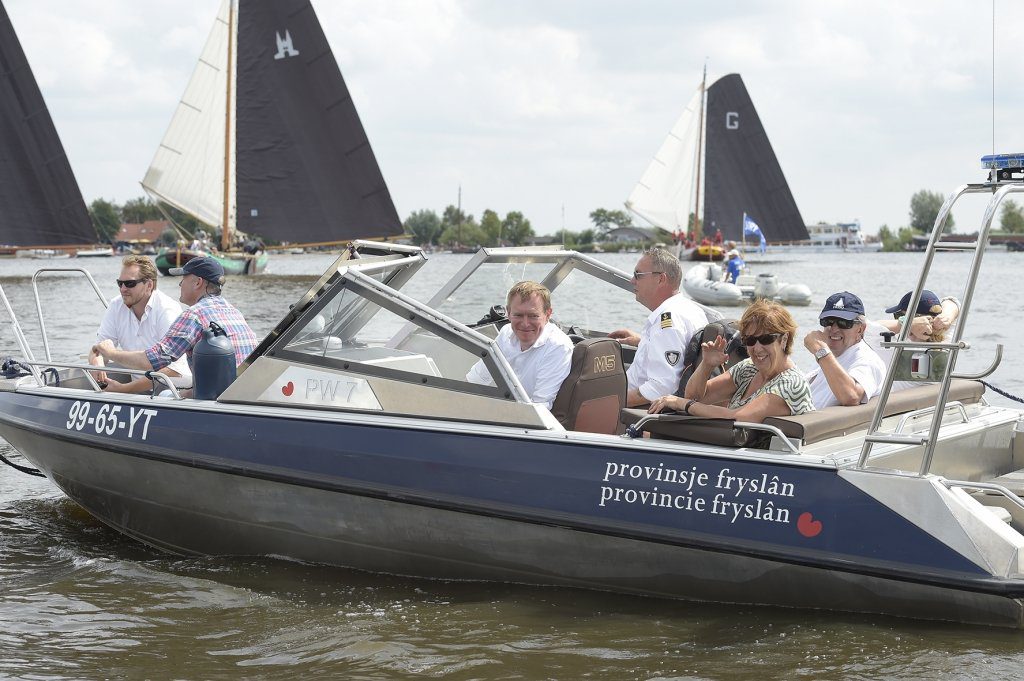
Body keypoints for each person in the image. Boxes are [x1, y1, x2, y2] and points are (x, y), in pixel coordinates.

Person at [92, 257, 258, 385]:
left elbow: (153, 360)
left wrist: (111, 353)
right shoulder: (234, 311)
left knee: (166, 395)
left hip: (218, 399)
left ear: (198, 282)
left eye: (183, 278)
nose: (180, 284)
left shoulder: (194, 315)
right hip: (243, 391)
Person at [648, 300, 813, 421]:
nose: (757, 347)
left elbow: (737, 418)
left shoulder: (791, 384)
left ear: (784, 339)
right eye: (749, 340)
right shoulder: (749, 368)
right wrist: (706, 365)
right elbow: (694, 397)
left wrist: (680, 403)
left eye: (765, 339)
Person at [609, 247, 711, 407]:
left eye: (638, 275)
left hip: (635, 413)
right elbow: (679, 349)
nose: (632, 281)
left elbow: (662, 387)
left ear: (661, 279)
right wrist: (642, 341)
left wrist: (611, 403)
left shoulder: (667, 321)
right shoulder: (691, 310)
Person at [89, 255, 191, 394]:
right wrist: (97, 364)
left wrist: (124, 390)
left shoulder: (167, 310)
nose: (123, 289)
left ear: (149, 285)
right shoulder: (116, 305)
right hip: (138, 394)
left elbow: (175, 370)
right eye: (120, 283)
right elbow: (98, 349)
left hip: (174, 392)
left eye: (130, 284)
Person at [465, 281, 573, 409]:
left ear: (547, 314)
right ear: (509, 313)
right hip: (506, 411)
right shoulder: (505, 333)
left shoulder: (558, 346)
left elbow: (540, 407)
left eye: (533, 316)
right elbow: (476, 380)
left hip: (530, 422)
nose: (525, 323)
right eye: (518, 315)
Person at [864, 290, 961, 391]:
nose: (897, 320)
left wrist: (904, 324)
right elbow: (952, 302)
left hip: (896, 403)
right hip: (934, 401)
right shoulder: (945, 337)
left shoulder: (890, 343)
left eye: (899, 316)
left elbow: (864, 327)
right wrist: (945, 318)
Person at [803, 291, 886, 409]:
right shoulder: (830, 356)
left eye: (843, 323)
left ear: (860, 329)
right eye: (829, 321)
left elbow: (851, 396)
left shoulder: (867, 359)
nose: (834, 329)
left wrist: (820, 351)